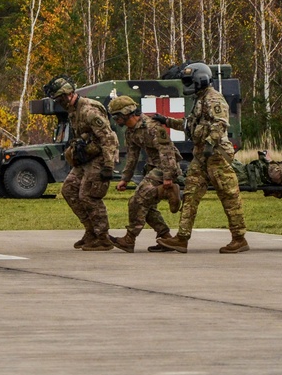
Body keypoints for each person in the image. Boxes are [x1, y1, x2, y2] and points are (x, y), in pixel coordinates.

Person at [151, 62, 248, 254]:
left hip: (217, 156)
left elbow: (220, 124)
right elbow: (190, 125)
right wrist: (166, 121)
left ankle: (239, 238)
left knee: (229, 196)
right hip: (202, 156)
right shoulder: (200, 99)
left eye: (190, 81)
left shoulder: (213, 99)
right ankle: (182, 238)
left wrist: (210, 145)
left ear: (200, 80)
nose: (188, 84)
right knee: (190, 195)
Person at [43, 75, 120, 251]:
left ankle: (103, 237)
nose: (59, 102)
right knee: (69, 189)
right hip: (86, 157)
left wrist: (108, 166)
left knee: (88, 195)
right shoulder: (73, 109)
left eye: (60, 98)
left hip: (100, 156)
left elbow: (108, 139)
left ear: (69, 94)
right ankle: (91, 231)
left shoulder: (89, 110)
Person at [106, 95, 183, 253]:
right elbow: (132, 157)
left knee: (137, 200)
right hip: (154, 167)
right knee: (145, 204)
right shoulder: (131, 132)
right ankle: (166, 237)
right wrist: (125, 179)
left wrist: (168, 177)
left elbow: (166, 151)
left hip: (167, 166)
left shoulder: (152, 127)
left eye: (116, 116)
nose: (115, 120)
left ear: (126, 113)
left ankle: (129, 239)